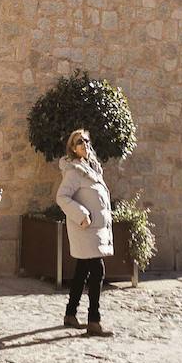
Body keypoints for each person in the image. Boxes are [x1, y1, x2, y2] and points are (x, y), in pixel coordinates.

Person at [55, 128, 114, 337]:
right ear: (72, 147)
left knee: (82, 270)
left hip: (94, 229)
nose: (84, 145)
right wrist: (82, 214)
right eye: (79, 142)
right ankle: (94, 320)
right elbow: (62, 197)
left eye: (87, 141)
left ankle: (70, 314)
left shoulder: (92, 169)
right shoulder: (74, 171)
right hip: (85, 228)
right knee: (97, 271)